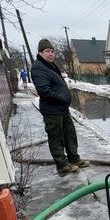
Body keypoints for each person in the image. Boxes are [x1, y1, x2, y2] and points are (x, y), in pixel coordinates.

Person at [31, 39, 90, 174]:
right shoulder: (38, 67)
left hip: (61, 109)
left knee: (70, 134)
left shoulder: (49, 66)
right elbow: (44, 91)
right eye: (47, 51)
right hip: (52, 110)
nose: (51, 54)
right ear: (40, 52)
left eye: (52, 51)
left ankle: (74, 159)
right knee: (56, 137)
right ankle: (62, 164)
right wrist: (62, 98)